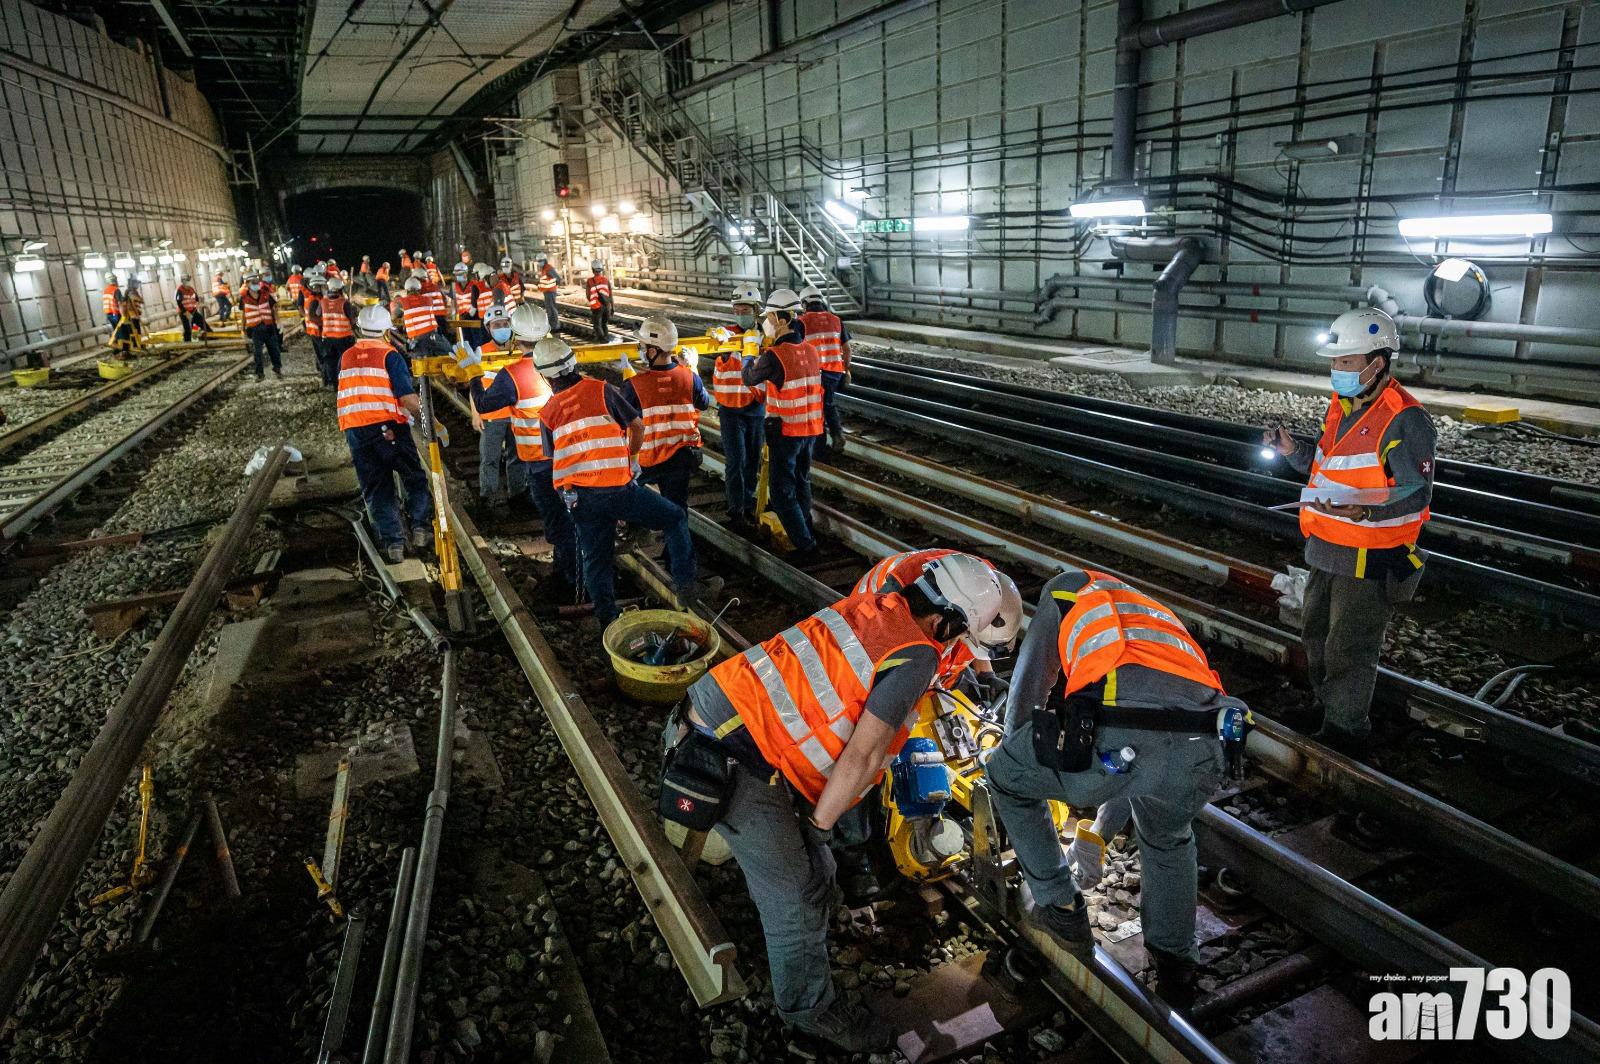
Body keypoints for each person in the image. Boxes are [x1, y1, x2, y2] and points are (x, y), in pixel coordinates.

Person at [675, 555, 1003, 1051]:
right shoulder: (917, 654)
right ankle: (809, 1012)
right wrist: (820, 824)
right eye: (961, 637)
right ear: (947, 622)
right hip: (724, 753)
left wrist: (818, 835)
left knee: (819, 868)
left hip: (721, 718)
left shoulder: (878, 601)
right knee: (798, 891)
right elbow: (863, 756)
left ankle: (812, 933)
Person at [986, 567, 1248, 1010]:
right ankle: (1177, 965)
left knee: (1004, 777)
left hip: (1119, 736)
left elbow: (1030, 688)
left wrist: (1017, 750)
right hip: (1206, 743)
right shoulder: (1149, 613)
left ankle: (1059, 904)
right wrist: (1098, 833)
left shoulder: (1063, 591)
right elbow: (1151, 754)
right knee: (1167, 837)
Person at [1263, 307, 1434, 754]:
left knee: (1349, 646)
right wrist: (1292, 450)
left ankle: (1345, 728)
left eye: (1345, 362)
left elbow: (1416, 492)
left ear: (1376, 363)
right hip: (1325, 545)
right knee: (1316, 635)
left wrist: (1368, 510)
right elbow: (1327, 467)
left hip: (1367, 555)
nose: (1335, 370)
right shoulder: (1341, 408)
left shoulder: (1406, 418)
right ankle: (1326, 709)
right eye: (1334, 362)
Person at [830, 548, 1023, 902]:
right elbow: (906, 678)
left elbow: (969, 647)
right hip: (875, 650)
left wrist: (985, 672)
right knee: (860, 753)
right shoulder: (897, 617)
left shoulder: (987, 590)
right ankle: (852, 853)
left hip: (933, 632)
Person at [519, 336, 705, 626]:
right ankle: (685, 586)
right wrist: (632, 457)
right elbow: (637, 425)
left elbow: (552, 458)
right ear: (573, 362)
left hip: (582, 500)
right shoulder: (602, 390)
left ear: (544, 375)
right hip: (619, 491)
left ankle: (608, 622)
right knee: (674, 518)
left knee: (597, 560)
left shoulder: (547, 414)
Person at [466, 307, 580, 588]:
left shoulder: (512, 374)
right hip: (571, 456)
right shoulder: (563, 364)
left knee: (557, 522)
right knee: (574, 515)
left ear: (516, 337)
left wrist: (472, 372)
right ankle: (573, 571)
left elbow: (484, 404)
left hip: (541, 463)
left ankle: (568, 580)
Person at [339, 305, 435, 562]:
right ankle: (420, 530)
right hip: (388, 428)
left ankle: (394, 545)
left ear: (360, 329)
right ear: (385, 331)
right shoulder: (389, 356)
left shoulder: (346, 356)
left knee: (377, 488)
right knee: (413, 477)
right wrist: (430, 424)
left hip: (356, 432)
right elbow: (408, 398)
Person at [742, 288, 822, 561]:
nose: (768, 322)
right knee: (802, 483)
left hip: (786, 433)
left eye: (771, 317)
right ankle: (806, 531)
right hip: (810, 430)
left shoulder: (775, 356)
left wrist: (749, 349)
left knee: (781, 491)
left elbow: (749, 378)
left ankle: (805, 545)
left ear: (782, 319)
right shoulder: (811, 351)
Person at [629, 315, 710, 575]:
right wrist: (692, 369)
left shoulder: (634, 386)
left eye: (643, 347)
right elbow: (704, 402)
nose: (641, 351)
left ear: (652, 350)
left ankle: (632, 533)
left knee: (627, 500)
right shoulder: (689, 378)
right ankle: (678, 564)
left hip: (647, 461)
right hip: (680, 457)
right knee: (677, 510)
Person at [713, 284, 765, 530]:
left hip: (755, 406)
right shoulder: (725, 335)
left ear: (756, 310)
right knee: (736, 461)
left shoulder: (766, 336)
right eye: (737, 309)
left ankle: (747, 500)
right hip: (731, 409)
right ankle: (736, 510)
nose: (740, 313)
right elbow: (715, 338)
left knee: (752, 460)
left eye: (745, 309)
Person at [469, 303, 530, 513]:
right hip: (491, 417)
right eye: (496, 325)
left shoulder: (519, 352)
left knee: (518, 458)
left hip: (516, 416)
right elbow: (474, 385)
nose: (501, 328)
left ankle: (518, 495)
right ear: (488, 328)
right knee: (490, 458)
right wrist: (476, 414)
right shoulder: (481, 352)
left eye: (504, 324)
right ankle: (488, 497)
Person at [797, 285, 851, 457]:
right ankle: (836, 434)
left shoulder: (801, 322)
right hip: (835, 371)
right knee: (828, 402)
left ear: (804, 303)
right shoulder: (836, 320)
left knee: (816, 409)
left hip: (815, 374)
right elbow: (847, 349)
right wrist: (847, 369)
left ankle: (820, 449)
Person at [239, 271, 282, 380]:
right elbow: (243, 314)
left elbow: (274, 308)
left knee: (274, 350)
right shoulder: (243, 298)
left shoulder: (265, 294)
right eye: (253, 282)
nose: (256, 283)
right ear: (247, 283)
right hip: (254, 329)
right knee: (257, 353)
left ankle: (277, 368)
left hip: (268, 327)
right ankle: (259, 374)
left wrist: (278, 321)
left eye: (257, 281)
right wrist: (242, 329)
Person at [318, 276, 356, 389]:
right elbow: (352, 320)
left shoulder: (322, 302)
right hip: (343, 338)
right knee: (345, 362)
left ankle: (334, 385)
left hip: (328, 338)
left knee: (330, 362)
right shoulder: (344, 303)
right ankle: (346, 384)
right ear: (340, 289)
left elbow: (318, 314)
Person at [394, 271, 439, 344]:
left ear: (407, 290)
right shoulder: (428, 299)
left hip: (418, 339)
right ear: (419, 289)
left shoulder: (402, 302)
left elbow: (394, 317)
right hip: (434, 334)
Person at [107, 275, 145, 360]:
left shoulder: (108, 290)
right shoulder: (129, 292)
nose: (137, 285)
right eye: (136, 283)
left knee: (125, 332)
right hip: (129, 315)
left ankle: (130, 347)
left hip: (113, 313)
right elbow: (125, 302)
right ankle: (125, 349)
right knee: (126, 332)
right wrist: (123, 315)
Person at [450, 261, 484, 344]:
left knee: (477, 341)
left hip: (474, 318)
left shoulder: (473, 285)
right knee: (466, 341)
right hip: (462, 319)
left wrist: (467, 317)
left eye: (460, 274)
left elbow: (475, 305)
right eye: (457, 275)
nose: (458, 276)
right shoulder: (454, 287)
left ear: (466, 273)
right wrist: (454, 317)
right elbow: (453, 303)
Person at [303, 271, 326, 378]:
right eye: (323, 286)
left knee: (319, 353)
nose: (325, 288)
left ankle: (322, 371)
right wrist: (324, 324)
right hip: (317, 331)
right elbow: (312, 317)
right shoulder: (315, 301)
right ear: (317, 287)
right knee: (322, 354)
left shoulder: (315, 298)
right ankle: (325, 376)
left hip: (314, 331)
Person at [175, 275, 209, 342]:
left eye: (188, 280)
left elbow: (196, 298)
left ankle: (196, 338)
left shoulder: (191, 289)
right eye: (186, 280)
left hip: (193, 310)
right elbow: (178, 302)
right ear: (183, 281)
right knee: (188, 328)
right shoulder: (179, 290)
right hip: (184, 311)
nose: (188, 282)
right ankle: (187, 342)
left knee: (200, 322)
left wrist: (198, 301)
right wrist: (185, 312)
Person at [585, 262, 613, 341]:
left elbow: (588, 295)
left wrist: (593, 301)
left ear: (592, 270)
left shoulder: (590, 281)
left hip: (596, 306)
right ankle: (606, 338)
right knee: (604, 324)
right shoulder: (606, 280)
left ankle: (603, 340)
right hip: (607, 306)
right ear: (601, 270)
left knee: (597, 325)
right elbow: (610, 295)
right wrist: (612, 307)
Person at [533, 254, 561, 334]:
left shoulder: (548, 268)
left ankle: (555, 326)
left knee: (552, 309)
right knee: (549, 309)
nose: (539, 263)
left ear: (544, 260)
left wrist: (552, 287)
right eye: (538, 261)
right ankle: (552, 325)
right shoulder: (544, 268)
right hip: (547, 292)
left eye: (540, 261)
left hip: (550, 292)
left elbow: (558, 279)